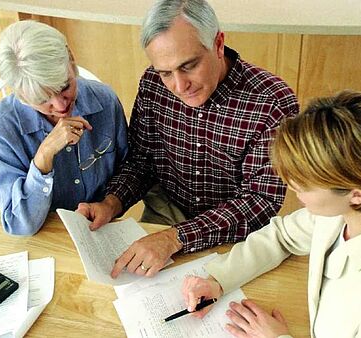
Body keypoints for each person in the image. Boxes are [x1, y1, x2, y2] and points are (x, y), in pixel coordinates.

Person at [77, 0, 299, 278]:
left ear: (218, 44)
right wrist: (111, 203)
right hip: (166, 211)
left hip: (236, 233)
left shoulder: (272, 102)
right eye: (166, 72)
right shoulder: (152, 84)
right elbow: (142, 161)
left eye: (189, 66)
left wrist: (175, 238)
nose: (180, 86)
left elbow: (260, 201)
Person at [182, 90, 361, 338]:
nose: (291, 186)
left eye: (303, 182)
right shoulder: (337, 215)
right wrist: (219, 280)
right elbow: (281, 236)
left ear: (357, 194)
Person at [0, 21, 128, 235]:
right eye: (41, 98)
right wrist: (43, 159)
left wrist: (110, 204)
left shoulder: (104, 100)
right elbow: (19, 226)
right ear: (21, 95)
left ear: (72, 60)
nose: (61, 106)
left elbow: (129, 169)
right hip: (41, 233)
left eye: (64, 86)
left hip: (97, 229)